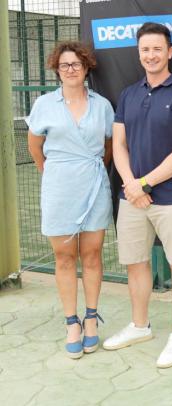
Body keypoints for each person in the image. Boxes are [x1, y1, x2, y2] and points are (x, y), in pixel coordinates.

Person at [103, 22, 172, 369]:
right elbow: (119, 145)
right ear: (139, 53)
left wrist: (143, 184)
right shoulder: (129, 94)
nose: (151, 55)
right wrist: (132, 185)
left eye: (157, 49)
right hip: (131, 196)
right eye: (145, 50)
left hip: (171, 197)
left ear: (170, 52)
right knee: (136, 263)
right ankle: (139, 325)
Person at [26, 41, 114, 359]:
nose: (71, 70)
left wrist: (91, 172)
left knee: (91, 255)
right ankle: (71, 323)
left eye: (76, 64)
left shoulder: (102, 105)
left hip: (93, 185)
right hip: (59, 187)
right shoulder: (44, 105)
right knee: (64, 257)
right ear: (57, 70)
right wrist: (53, 174)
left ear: (87, 67)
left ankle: (91, 318)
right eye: (65, 65)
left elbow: (108, 147)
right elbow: (35, 146)